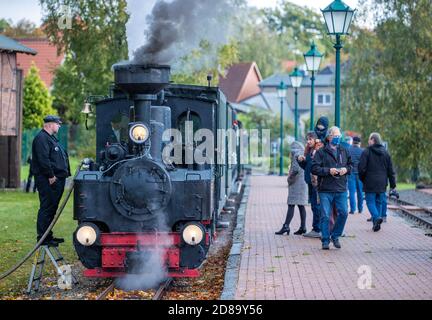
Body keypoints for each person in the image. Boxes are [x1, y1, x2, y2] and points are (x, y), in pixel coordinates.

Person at [31, 115, 71, 246]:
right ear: (49, 124)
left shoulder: (50, 138)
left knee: (52, 208)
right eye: (57, 124)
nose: (59, 126)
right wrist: (51, 176)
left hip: (56, 179)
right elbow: (43, 159)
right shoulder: (41, 138)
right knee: (47, 207)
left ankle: (48, 236)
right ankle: (42, 237)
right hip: (48, 180)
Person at [312, 126, 352, 250]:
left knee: (344, 213)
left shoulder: (344, 150)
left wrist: (346, 169)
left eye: (339, 136)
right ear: (329, 137)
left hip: (340, 188)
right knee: (325, 215)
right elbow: (314, 168)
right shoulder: (321, 152)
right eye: (335, 136)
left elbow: (351, 165)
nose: (337, 138)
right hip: (325, 189)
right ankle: (325, 240)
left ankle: (335, 235)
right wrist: (329, 171)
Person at [358, 133, 397, 231]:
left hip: (370, 182)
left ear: (373, 140)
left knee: (370, 202)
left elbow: (361, 168)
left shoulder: (367, 152)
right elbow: (391, 171)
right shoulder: (386, 153)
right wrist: (393, 185)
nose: (368, 141)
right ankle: (376, 225)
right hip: (382, 183)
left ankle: (376, 217)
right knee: (378, 202)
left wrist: (363, 179)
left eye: (369, 139)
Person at [275, 141, 309, 236]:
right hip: (303, 183)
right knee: (301, 205)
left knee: (291, 204)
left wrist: (289, 179)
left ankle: (286, 226)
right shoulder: (302, 153)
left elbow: (295, 169)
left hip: (296, 184)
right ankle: (303, 227)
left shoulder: (296, 155)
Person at [297, 132, 321, 238]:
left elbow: (315, 166)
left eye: (310, 139)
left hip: (316, 182)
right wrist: (301, 161)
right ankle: (316, 228)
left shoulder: (318, 150)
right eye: (307, 139)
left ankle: (317, 229)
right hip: (310, 181)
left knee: (316, 205)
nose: (308, 141)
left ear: (316, 140)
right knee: (313, 205)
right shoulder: (309, 150)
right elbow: (307, 167)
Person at [348, 137, 364, 214]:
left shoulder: (349, 150)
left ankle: (352, 209)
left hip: (351, 173)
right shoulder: (362, 151)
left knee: (352, 192)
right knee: (360, 192)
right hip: (360, 173)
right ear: (359, 143)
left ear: (353, 142)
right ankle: (360, 209)